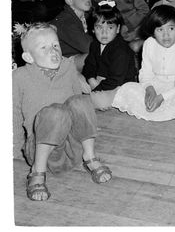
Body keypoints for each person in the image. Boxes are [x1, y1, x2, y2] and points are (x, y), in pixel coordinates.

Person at [13, 22, 112, 202]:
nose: (53, 51)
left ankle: (89, 157)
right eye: (44, 47)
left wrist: (88, 126)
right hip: (40, 150)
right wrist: (13, 146)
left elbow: (78, 105)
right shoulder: (19, 77)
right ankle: (37, 171)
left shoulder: (68, 68)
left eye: (56, 45)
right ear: (28, 57)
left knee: (81, 100)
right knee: (56, 112)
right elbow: (13, 112)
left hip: (72, 148)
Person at [91, 5, 175, 123]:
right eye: (160, 30)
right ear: (153, 32)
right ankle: (170, 113)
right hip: (156, 85)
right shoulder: (149, 43)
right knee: (127, 88)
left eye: (171, 29)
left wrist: (161, 98)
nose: (166, 35)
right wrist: (149, 90)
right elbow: (145, 73)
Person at [82, 1, 136, 91]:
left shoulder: (121, 50)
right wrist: (90, 79)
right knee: (75, 78)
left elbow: (115, 81)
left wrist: (95, 90)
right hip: (100, 83)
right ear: (93, 29)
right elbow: (89, 65)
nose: (104, 33)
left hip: (120, 88)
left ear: (118, 29)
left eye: (110, 27)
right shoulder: (95, 44)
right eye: (99, 27)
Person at [51, 0, 93, 72]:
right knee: (95, 56)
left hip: (78, 57)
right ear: (69, 0)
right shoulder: (65, 21)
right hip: (62, 64)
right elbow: (88, 46)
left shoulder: (86, 16)